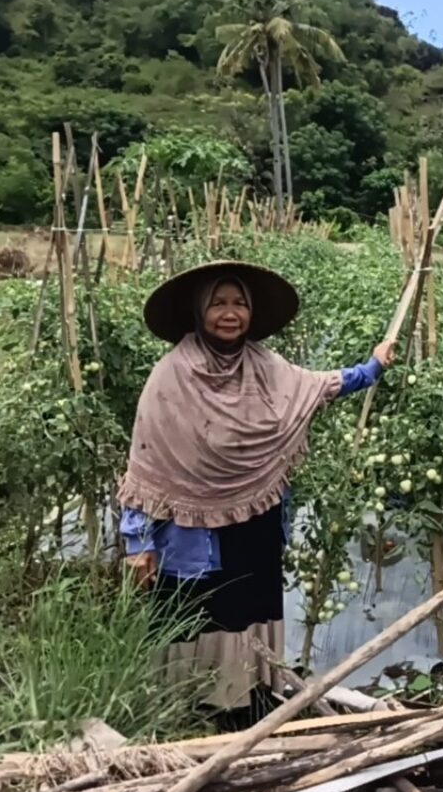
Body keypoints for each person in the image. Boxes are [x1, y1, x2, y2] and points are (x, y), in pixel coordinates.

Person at [118, 260, 393, 729]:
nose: (230, 313)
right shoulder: (172, 376)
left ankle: (245, 695)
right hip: (191, 530)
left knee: (249, 607)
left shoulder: (266, 366)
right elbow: (147, 462)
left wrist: (372, 368)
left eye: (239, 303)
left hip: (255, 517)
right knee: (197, 611)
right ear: (199, 311)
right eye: (219, 303)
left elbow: (318, 386)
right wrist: (139, 542)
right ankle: (189, 705)